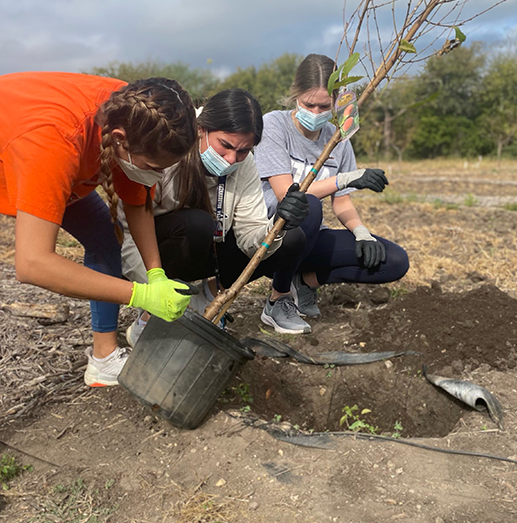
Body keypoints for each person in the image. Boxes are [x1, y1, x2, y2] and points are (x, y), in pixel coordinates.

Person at [0, 72, 198, 523]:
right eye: (155, 166)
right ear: (118, 141)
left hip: (36, 153)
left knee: (104, 237)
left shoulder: (141, 112)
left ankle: (103, 357)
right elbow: (34, 264)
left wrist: (156, 274)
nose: (158, 175)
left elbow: (135, 202)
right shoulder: (53, 138)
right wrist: (140, 293)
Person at [120, 88, 310, 342]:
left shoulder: (245, 164)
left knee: (292, 238)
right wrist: (153, 289)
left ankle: (206, 296)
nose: (232, 159)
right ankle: (155, 312)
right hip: (159, 254)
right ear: (202, 129)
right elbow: (128, 234)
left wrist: (277, 227)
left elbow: (249, 234)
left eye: (242, 151)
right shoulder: (167, 149)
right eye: (225, 146)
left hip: (212, 252)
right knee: (197, 224)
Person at [254, 54, 409, 332]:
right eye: (308, 104)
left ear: (336, 100)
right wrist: (344, 178)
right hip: (270, 237)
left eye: (323, 106)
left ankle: (304, 283)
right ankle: (279, 299)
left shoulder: (337, 140)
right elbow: (285, 196)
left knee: (394, 261)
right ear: (295, 96)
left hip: (310, 240)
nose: (315, 112)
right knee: (308, 206)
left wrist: (361, 232)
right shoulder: (274, 126)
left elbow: (342, 202)